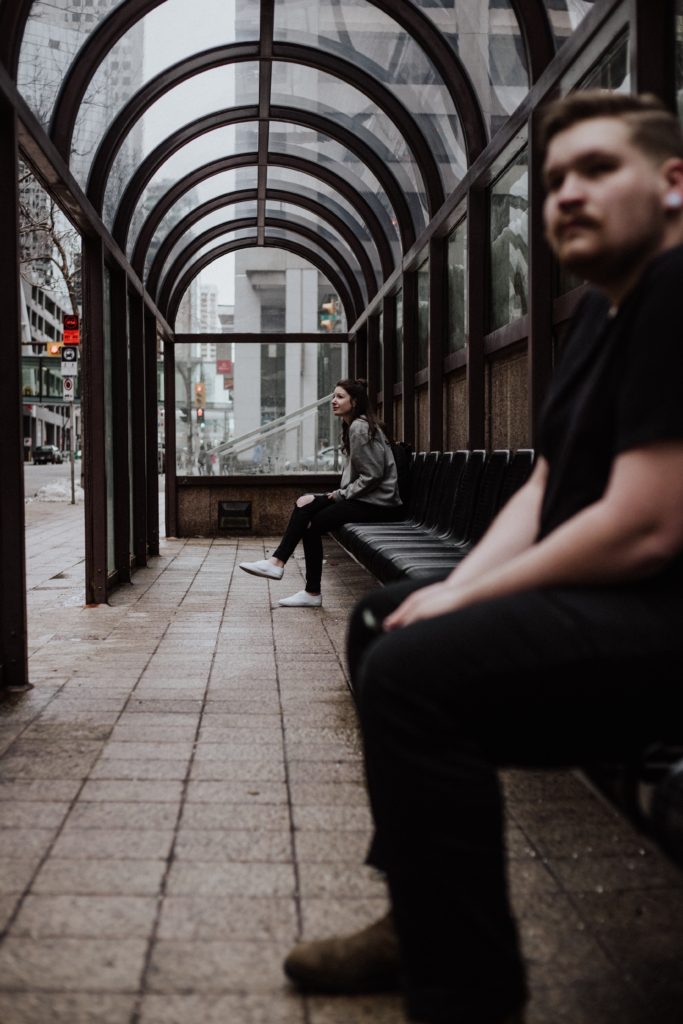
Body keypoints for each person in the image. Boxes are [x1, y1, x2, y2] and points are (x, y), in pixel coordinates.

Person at [283, 90, 683, 1023]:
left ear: (672, 182)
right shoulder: (610, 313)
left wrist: (468, 598)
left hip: (661, 612)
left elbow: (646, 524)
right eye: (553, 181)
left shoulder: (674, 294)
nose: (566, 195)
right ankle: (420, 913)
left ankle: (463, 991)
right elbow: (546, 487)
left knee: (412, 670)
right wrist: (458, 586)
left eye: (597, 169)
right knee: (384, 619)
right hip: (630, 609)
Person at [239, 379, 402, 607]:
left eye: (340, 397)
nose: (333, 401)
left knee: (310, 517)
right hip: (370, 499)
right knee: (305, 505)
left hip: (379, 504)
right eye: (333, 396)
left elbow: (372, 476)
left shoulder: (359, 427)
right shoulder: (356, 425)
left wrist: (337, 495)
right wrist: (334, 495)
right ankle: (287, 571)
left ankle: (293, 576)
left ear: (355, 402)